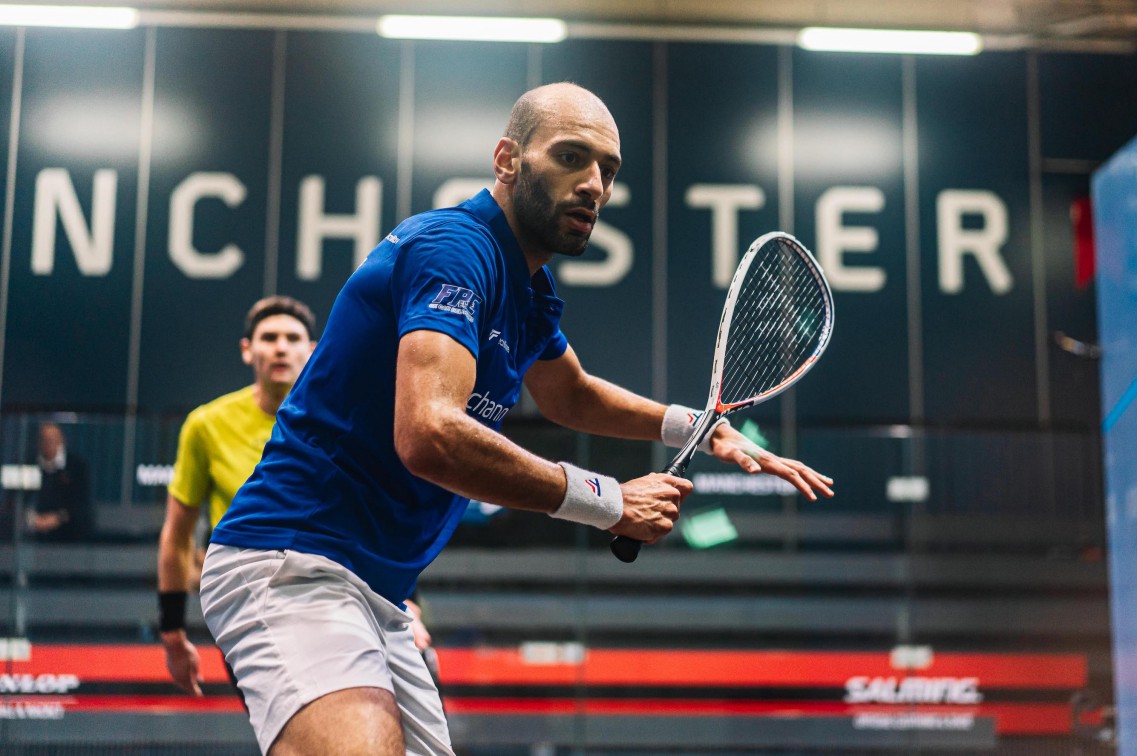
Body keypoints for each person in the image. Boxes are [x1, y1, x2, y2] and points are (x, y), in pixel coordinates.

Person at [199, 82, 834, 756]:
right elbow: (430, 435)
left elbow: (571, 395)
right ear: (507, 159)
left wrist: (697, 427)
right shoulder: (454, 249)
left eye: (608, 170)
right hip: (292, 560)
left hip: (379, 593)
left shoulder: (529, 290)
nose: (594, 185)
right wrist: (611, 502)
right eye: (571, 157)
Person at [157, 295, 318, 696]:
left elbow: (373, 515)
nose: (281, 348)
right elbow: (177, 535)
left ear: (312, 349)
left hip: (327, 595)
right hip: (246, 605)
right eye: (269, 338)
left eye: (292, 338)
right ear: (248, 350)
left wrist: (408, 602)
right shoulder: (206, 425)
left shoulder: (341, 419)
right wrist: (173, 633)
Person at [28, 421, 93, 542]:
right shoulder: (28, 464)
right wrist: (31, 519)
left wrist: (58, 518)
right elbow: (15, 500)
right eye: (44, 440)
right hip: (32, 537)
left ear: (62, 440)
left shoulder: (77, 466)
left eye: (52, 440)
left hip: (70, 537)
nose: (48, 444)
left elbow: (81, 505)